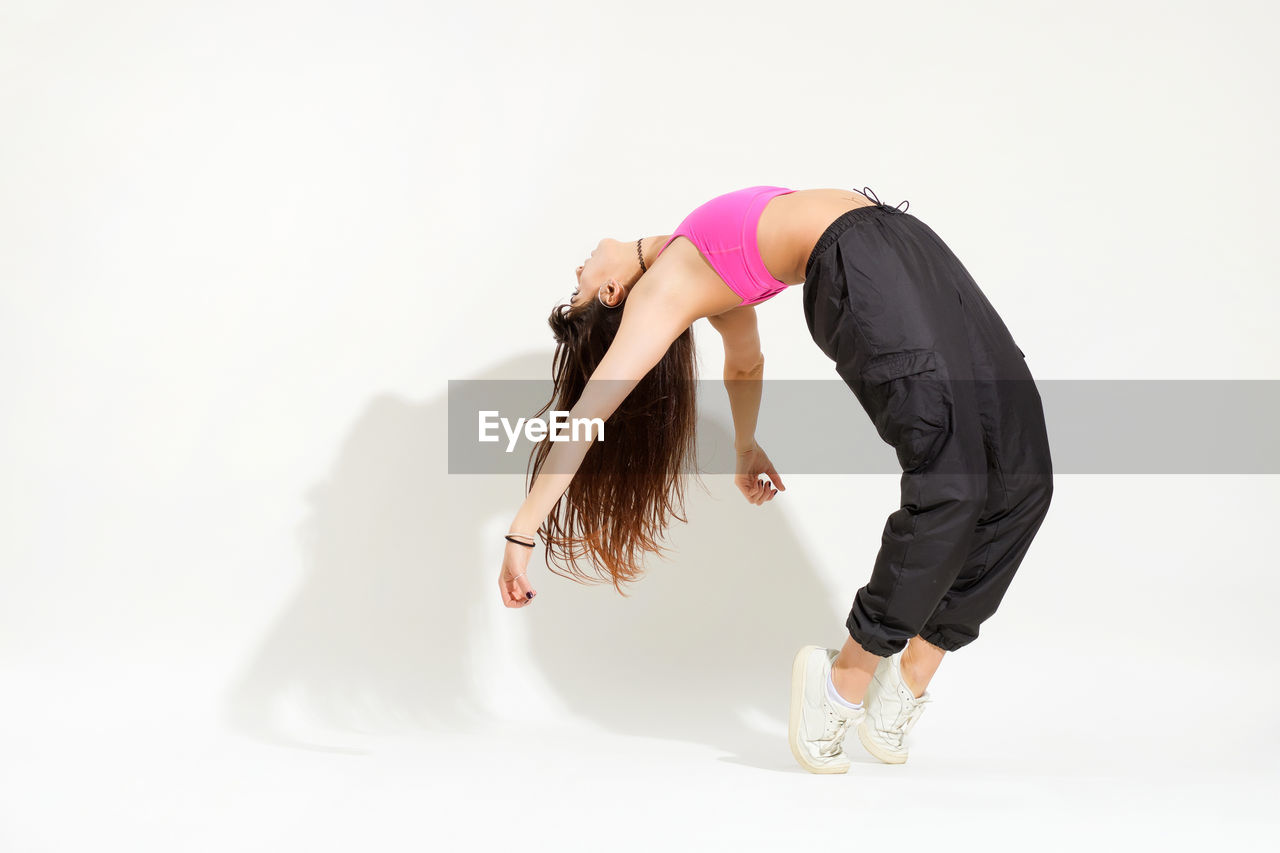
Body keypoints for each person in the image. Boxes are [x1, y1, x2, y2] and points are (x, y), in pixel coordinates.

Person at [498, 186, 1054, 775]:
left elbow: (745, 362)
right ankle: (841, 684)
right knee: (951, 479)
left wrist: (744, 447)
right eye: (579, 286)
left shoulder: (695, 264)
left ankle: (909, 677)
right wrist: (522, 532)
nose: (578, 270)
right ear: (612, 294)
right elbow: (588, 416)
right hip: (860, 259)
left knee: (1024, 477)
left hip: (898, 238)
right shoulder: (662, 292)